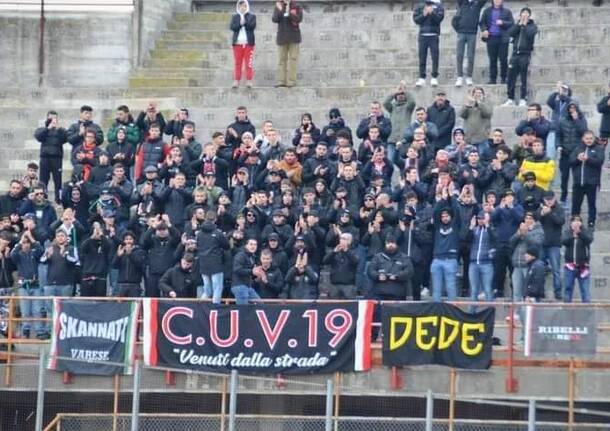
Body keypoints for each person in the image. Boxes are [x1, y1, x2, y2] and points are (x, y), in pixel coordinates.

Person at [10, 232, 44, 339]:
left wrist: (31, 238)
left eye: (27, 243)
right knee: (25, 311)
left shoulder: (34, 253)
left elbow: (41, 250)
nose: (26, 245)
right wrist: (20, 242)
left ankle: (39, 331)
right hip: (23, 285)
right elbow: (12, 255)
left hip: (35, 284)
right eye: (24, 243)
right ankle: (26, 330)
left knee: (37, 310)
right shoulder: (18, 255)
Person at [569, 130, 605, 229]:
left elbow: (599, 162)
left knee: (591, 204)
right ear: (583, 139)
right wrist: (577, 159)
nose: (589, 140)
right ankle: (574, 221)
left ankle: (591, 222)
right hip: (578, 183)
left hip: (592, 183)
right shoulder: (577, 149)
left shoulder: (598, 149)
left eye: (590, 138)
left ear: (594, 139)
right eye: (587, 138)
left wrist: (587, 159)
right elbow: (570, 161)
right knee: (576, 204)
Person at [503, 7, 538, 107]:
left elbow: (530, 35)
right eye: (523, 13)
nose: (524, 15)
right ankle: (510, 98)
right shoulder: (517, 25)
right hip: (514, 54)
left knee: (523, 78)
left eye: (527, 13)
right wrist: (519, 25)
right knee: (510, 77)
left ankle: (523, 98)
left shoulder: (532, 26)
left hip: (525, 54)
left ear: (529, 16)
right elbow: (511, 33)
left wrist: (525, 26)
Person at [509, 212, 544, 312]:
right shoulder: (521, 229)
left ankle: (529, 315)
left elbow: (537, 243)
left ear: (534, 220)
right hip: (517, 265)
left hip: (529, 266)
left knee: (528, 293)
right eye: (526, 218)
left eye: (530, 218)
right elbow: (511, 242)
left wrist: (526, 234)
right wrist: (519, 234)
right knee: (516, 292)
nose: (528, 220)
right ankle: (517, 314)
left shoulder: (538, 230)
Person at [431, 187, 460, 302]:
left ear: (450, 217)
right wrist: (442, 199)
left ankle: (452, 313)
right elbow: (435, 213)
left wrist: (451, 196)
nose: (444, 218)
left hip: (450, 259)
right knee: (436, 290)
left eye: (447, 216)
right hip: (437, 259)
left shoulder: (455, 226)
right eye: (442, 216)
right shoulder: (438, 226)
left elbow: (457, 210)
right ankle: (437, 313)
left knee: (451, 288)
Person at [536, 190, 565, 300]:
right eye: (546, 200)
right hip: (542, 244)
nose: (548, 202)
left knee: (556, 270)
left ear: (554, 198)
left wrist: (550, 213)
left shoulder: (559, 209)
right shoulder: (541, 208)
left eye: (550, 199)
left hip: (554, 244)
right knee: (539, 270)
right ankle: (540, 292)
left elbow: (560, 221)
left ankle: (557, 292)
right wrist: (542, 214)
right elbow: (535, 219)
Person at [557, 102, 588, 205]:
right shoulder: (562, 120)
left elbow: (584, 132)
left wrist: (576, 120)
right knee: (564, 177)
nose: (572, 110)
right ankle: (563, 196)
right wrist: (559, 146)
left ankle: (576, 197)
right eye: (570, 108)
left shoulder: (581, 119)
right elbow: (558, 135)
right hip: (565, 153)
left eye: (574, 108)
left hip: (576, 152)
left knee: (576, 177)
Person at [34, 111, 67, 204]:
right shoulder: (42, 129)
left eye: (54, 118)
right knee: (43, 180)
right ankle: (42, 197)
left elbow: (66, 138)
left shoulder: (61, 130)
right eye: (50, 118)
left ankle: (58, 199)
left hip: (57, 158)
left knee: (58, 181)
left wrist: (59, 129)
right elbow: (38, 137)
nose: (53, 120)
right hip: (45, 158)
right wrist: (48, 128)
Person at [197, 212, 230, 303]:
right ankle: (215, 310)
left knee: (207, 291)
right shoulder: (217, 233)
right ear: (215, 220)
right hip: (216, 264)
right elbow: (227, 246)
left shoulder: (199, 233)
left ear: (205, 218)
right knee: (217, 289)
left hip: (203, 263)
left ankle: (200, 309)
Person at [466, 210, 496, 310]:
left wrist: (487, 225)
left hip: (486, 263)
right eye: (479, 218)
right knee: (474, 290)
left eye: (482, 218)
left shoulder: (491, 229)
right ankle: (471, 314)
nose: (480, 220)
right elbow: (467, 239)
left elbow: (494, 239)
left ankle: (489, 313)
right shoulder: (474, 230)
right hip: (474, 263)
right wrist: (471, 226)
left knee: (487, 289)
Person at [479, 0, 514, 85]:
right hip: (491, 38)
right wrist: (484, 30)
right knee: (492, 59)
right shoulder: (487, 11)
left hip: (503, 38)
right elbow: (482, 23)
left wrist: (503, 22)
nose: (497, 1)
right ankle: (492, 79)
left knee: (503, 59)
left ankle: (504, 78)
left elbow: (512, 23)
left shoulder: (507, 11)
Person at [453, 0, 486, 87]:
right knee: (459, 55)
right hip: (461, 32)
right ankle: (459, 76)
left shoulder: (477, 4)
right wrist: (459, 28)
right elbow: (455, 20)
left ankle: (469, 76)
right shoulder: (462, 3)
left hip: (472, 33)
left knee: (470, 55)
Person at [413, 0, 445, 87]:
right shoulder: (420, 5)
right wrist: (424, 14)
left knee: (435, 56)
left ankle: (434, 77)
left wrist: (432, 13)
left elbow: (439, 19)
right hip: (423, 35)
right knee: (422, 57)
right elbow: (416, 20)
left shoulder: (439, 5)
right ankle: (422, 78)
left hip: (434, 35)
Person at [272, 0, 303, 88]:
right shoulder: (278, 5)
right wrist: (282, 10)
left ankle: (291, 81)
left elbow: (299, 19)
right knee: (281, 60)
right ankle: (281, 81)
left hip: (294, 36)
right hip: (282, 36)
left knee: (293, 59)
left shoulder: (297, 5)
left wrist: (289, 13)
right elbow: (275, 19)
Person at [562, 215, 593, 303]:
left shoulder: (585, 232)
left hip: (583, 267)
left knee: (585, 291)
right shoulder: (567, 232)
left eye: (578, 220)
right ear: (571, 223)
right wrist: (573, 236)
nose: (576, 222)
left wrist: (579, 233)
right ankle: (566, 310)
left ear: (581, 223)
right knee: (568, 289)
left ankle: (587, 311)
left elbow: (589, 240)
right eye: (574, 220)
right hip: (570, 266)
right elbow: (563, 241)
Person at [383, 82, 416, 163]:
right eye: (398, 94)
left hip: (403, 140)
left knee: (403, 163)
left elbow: (412, 102)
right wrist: (395, 91)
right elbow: (385, 103)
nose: (400, 95)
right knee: (390, 162)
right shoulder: (392, 107)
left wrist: (405, 91)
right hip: (392, 140)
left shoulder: (408, 108)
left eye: (402, 94)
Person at [79, 222, 113, 297]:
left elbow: (110, 246)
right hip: (87, 275)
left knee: (99, 302)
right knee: (86, 302)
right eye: (95, 229)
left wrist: (101, 235)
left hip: (100, 276)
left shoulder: (105, 242)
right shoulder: (87, 241)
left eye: (99, 229)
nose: (97, 231)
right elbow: (82, 248)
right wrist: (92, 237)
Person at [322, 232, 359, 299]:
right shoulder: (335, 251)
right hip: (334, 285)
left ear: (349, 241)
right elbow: (325, 261)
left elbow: (356, 261)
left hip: (348, 286)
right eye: (341, 238)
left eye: (344, 239)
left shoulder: (354, 251)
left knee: (349, 307)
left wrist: (346, 251)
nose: (341, 240)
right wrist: (333, 252)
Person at [230, 0, 256, 88]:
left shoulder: (252, 16)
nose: (243, 8)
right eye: (241, 6)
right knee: (238, 63)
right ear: (238, 7)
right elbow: (232, 27)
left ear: (247, 7)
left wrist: (244, 22)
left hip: (248, 43)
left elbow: (252, 26)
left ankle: (249, 80)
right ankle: (236, 80)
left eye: (244, 6)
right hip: (237, 44)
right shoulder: (235, 17)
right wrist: (240, 24)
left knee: (248, 63)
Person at [112, 231, 146, 297]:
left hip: (135, 285)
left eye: (130, 239)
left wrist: (130, 254)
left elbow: (140, 265)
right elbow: (114, 266)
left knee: (134, 306)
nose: (128, 241)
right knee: (120, 306)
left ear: (134, 240)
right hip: (121, 285)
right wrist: (118, 256)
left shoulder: (139, 251)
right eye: (126, 239)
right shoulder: (121, 251)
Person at [547, 82, 573, 159]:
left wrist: (563, 94)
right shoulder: (556, 103)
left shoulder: (571, 103)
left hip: (565, 132)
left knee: (565, 158)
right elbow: (549, 102)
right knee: (550, 156)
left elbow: (569, 101)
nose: (563, 92)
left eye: (565, 90)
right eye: (562, 90)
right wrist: (556, 92)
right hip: (554, 130)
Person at [232, 237, 261, 304]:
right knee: (243, 309)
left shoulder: (252, 257)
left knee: (260, 304)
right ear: (246, 245)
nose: (253, 246)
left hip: (248, 286)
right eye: (251, 244)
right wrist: (252, 271)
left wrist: (257, 276)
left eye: (255, 244)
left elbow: (250, 272)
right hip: (239, 286)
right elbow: (237, 269)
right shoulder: (240, 255)